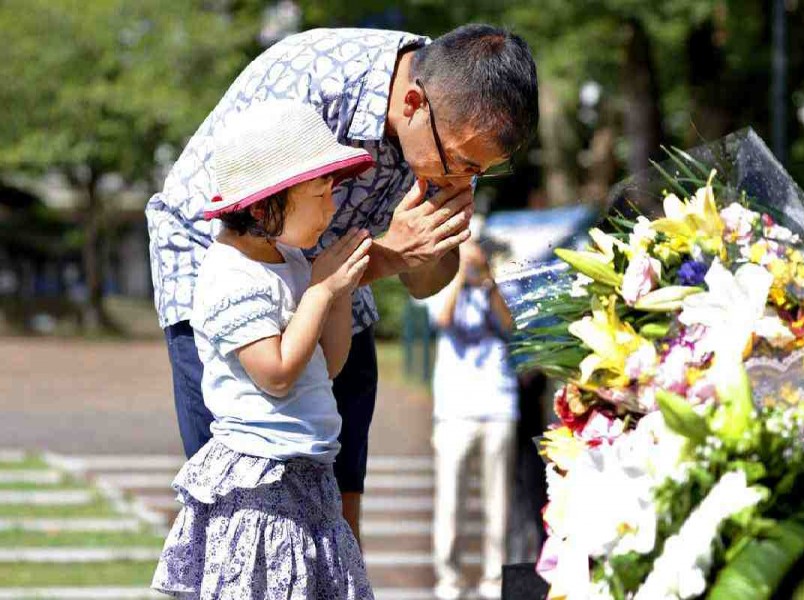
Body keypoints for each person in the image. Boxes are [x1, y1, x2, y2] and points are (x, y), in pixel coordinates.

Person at [146, 24, 539, 540]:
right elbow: (260, 239)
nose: (464, 181)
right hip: (226, 259)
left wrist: (423, 243)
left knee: (337, 482)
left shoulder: (445, 115)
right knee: (242, 502)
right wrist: (384, 257)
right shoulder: (315, 89)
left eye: (481, 172)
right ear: (414, 104)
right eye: (463, 164)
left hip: (334, 271)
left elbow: (424, 283)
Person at [152, 102, 375, 598]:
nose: (331, 208)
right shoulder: (230, 274)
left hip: (310, 476)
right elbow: (275, 372)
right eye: (320, 194)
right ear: (261, 205)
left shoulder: (291, 261)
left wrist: (338, 292)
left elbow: (328, 364)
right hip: (261, 489)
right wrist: (318, 292)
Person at [426, 236, 519, 600]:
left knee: (499, 501)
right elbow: (444, 318)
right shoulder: (439, 284)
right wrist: (460, 277)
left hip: (498, 405)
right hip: (454, 411)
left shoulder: (494, 284)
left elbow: (509, 325)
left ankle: (495, 577)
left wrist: (488, 282)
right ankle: (448, 577)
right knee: (450, 500)